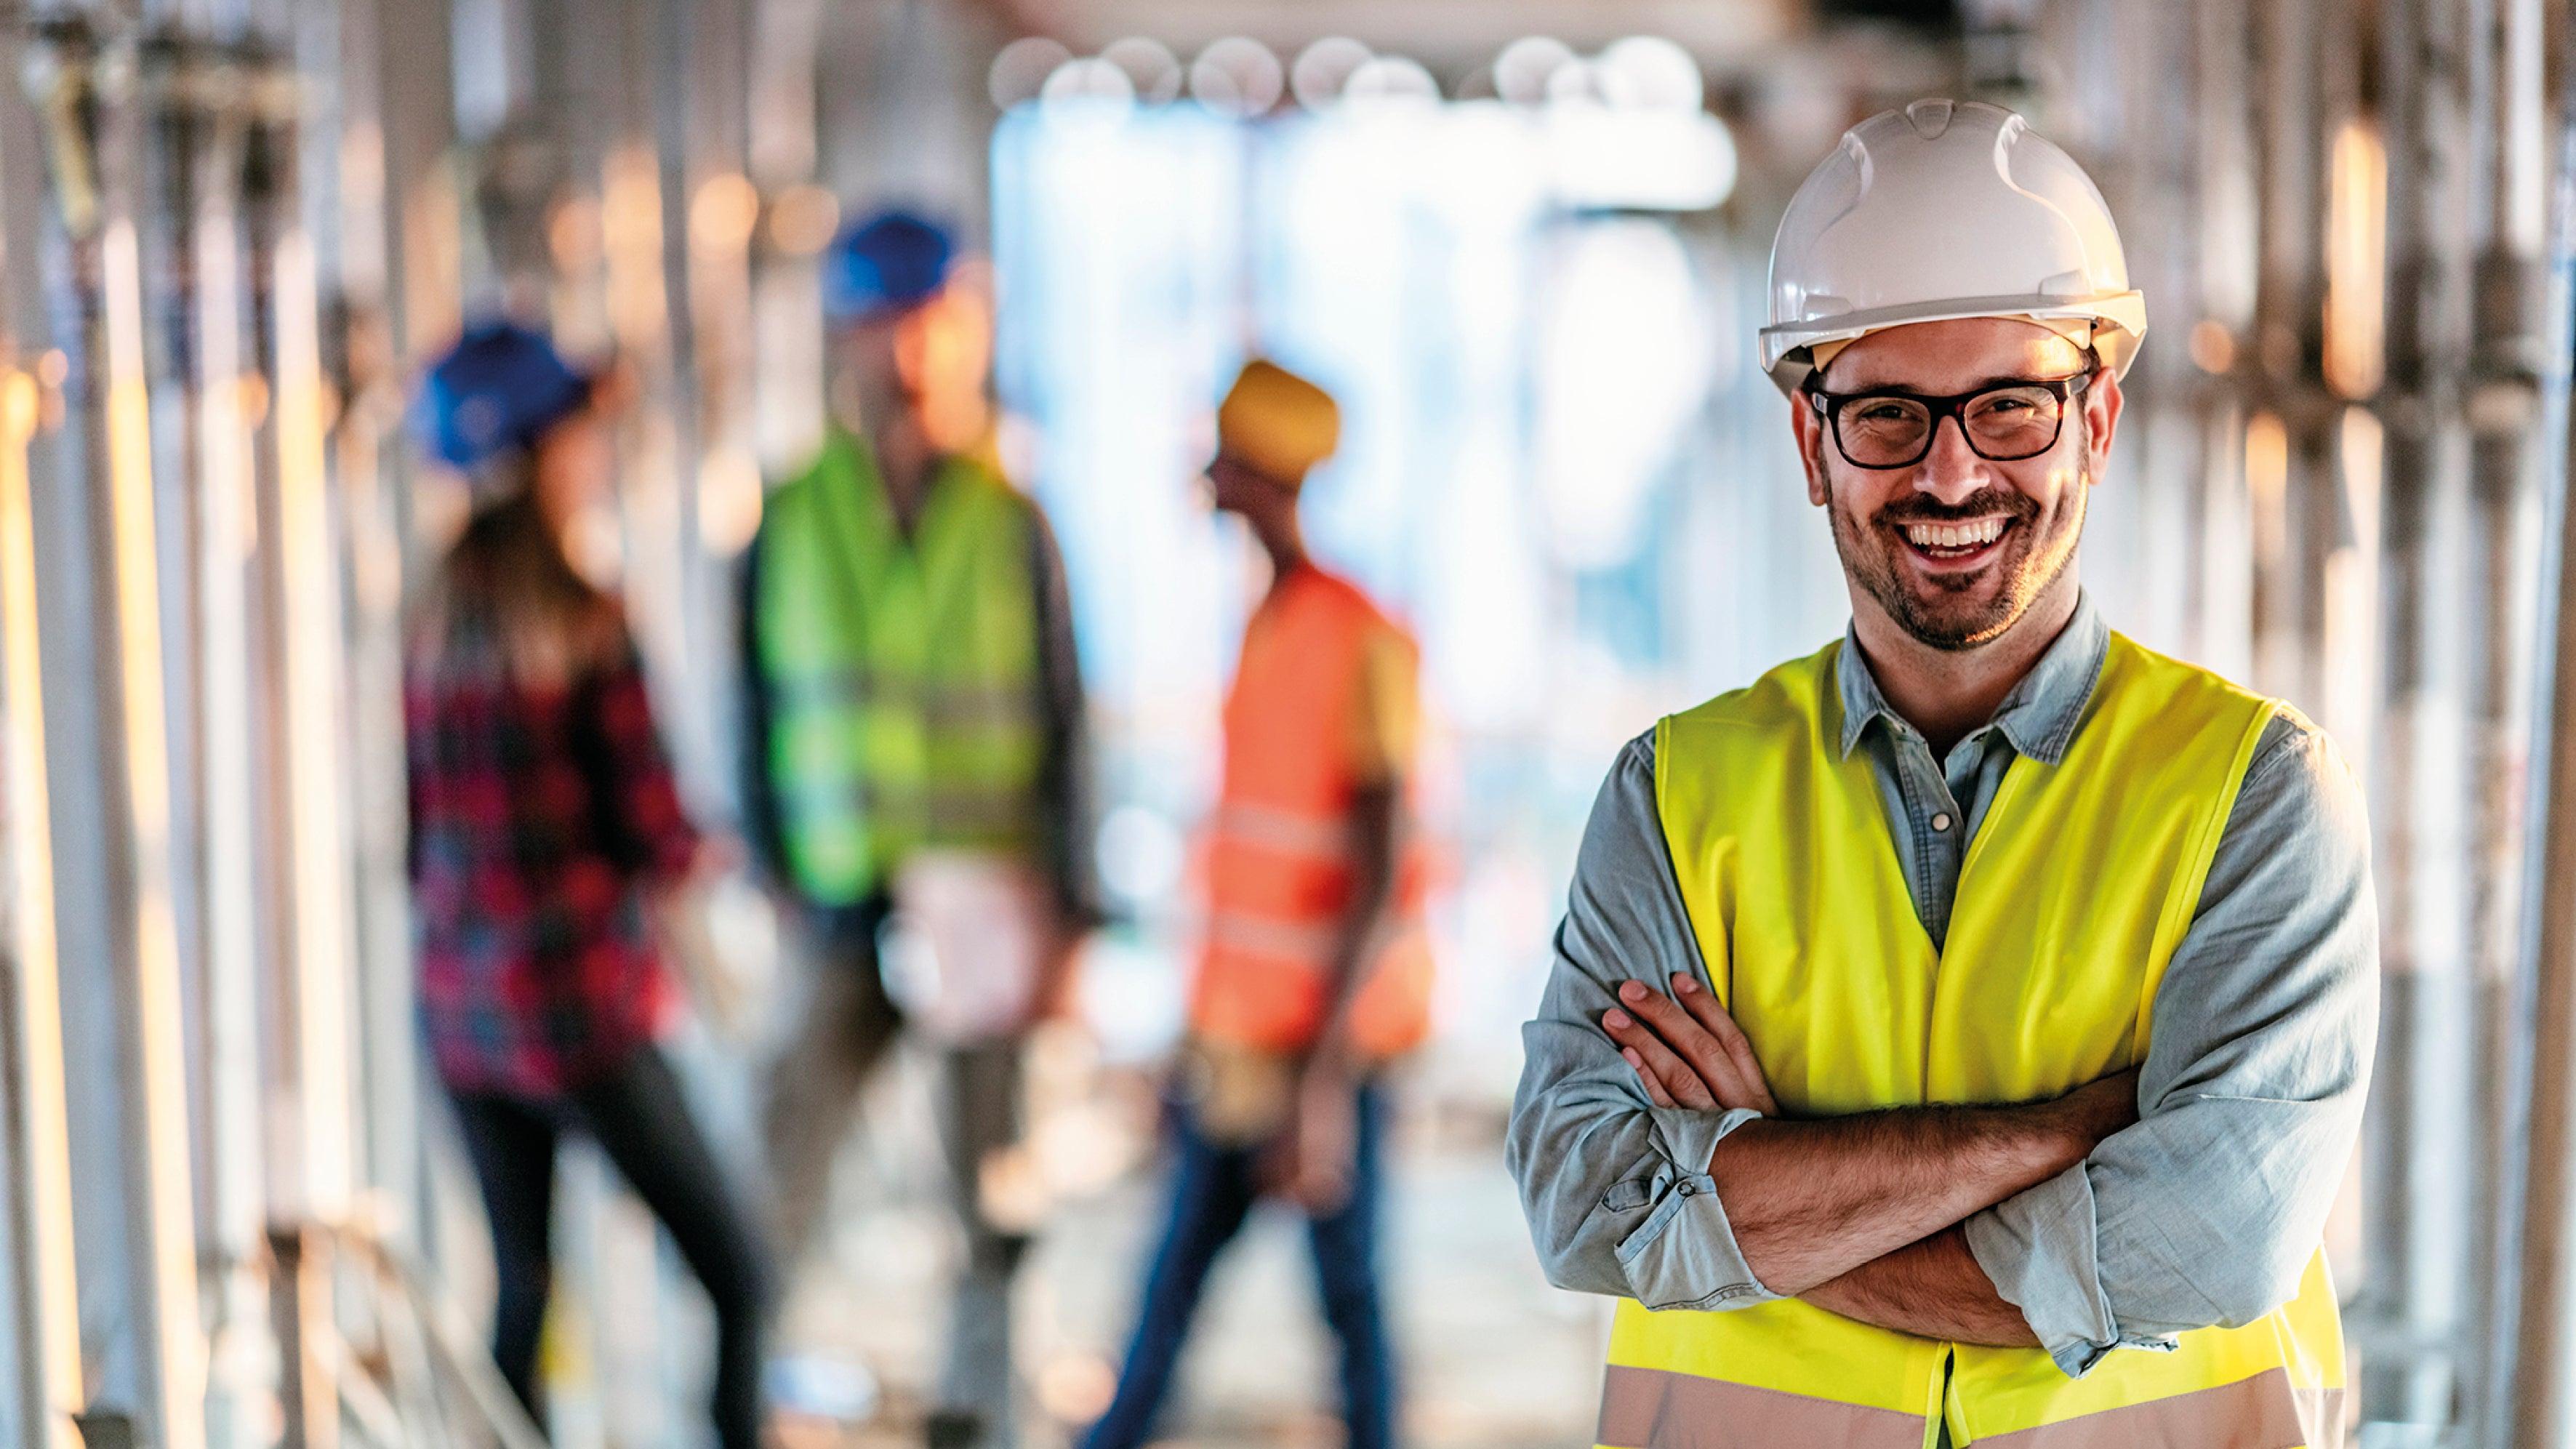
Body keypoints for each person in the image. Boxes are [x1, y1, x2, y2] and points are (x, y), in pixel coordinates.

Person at [1509, 99, 2377, 1447]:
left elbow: (2208, 1244)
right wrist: (2061, 1134)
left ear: (2096, 422)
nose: (1954, 470)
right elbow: (1586, 1206)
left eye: (2010, 406)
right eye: (1891, 414)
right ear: (1813, 445)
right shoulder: (1675, 795)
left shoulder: (2254, 795)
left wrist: (1756, 1187)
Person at [741, 208, 1096, 1449]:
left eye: (928, 327)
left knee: (991, 1195)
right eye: (882, 326)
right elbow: (754, 711)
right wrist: (778, 877)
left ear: (967, 333)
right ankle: (740, 1405)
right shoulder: (789, 518)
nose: (904, 357)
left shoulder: (1012, 523)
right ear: (843, 336)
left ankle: (983, 1419)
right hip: (838, 903)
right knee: (774, 1179)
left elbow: (1065, 726)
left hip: (987, 913)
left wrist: (1070, 919)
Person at [404, 323, 770, 1449]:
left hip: (464, 1018)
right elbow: (653, 832)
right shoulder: (584, 619)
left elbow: (418, 838)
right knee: (740, 1274)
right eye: (577, 430)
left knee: (523, 1288)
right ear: (537, 454)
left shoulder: (431, 622)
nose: (595, 450)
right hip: (578, 1012)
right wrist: (722, 855)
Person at [1082, 360, 1433, 1449]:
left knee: (1347, 1305)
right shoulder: (1268, 623)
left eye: (1228, 458)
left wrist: (1319, 1075)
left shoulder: (1358, 632)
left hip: (1321, 1049)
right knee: (1176, 1287)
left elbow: (1379, 868)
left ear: (1268, 473)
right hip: (1240, 1042)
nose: (1210, 477)